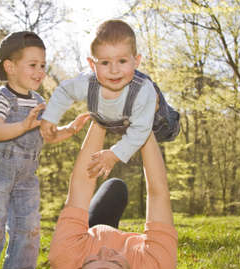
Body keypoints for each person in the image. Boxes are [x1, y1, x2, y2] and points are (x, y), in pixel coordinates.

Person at [0, 31, 89, 269]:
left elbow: (47, 135)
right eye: (33, 65)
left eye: (43, 65)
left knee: (28, 225)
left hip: (27, 177)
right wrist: (22, 125)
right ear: (10, 66)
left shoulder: (40, 102)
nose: (40, 71)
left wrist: (68, 130)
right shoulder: (0, 98)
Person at [49, 121, 178, 269]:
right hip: (145, 254)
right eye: (115, 263)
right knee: (163, 117)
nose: (105, 251)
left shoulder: (66, 256)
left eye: (93, 260)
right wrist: (144, 126)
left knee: (115, 187)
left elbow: (82, 183)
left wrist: (100, 118)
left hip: (93, 232)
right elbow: (158, 193)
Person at [41, 19, 180, 180]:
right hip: (119, 121)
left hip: (159, 122)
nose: (114, 70)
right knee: (102, 116)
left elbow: (140, 131)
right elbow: (64, 91)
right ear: (92, 65)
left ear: (136, 61)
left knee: (163, 130)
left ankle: (161, 112)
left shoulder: (142, 91)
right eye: (105, 62)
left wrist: (114, 155)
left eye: (122, 61)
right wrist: (50, 118)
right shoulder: (87, 83)